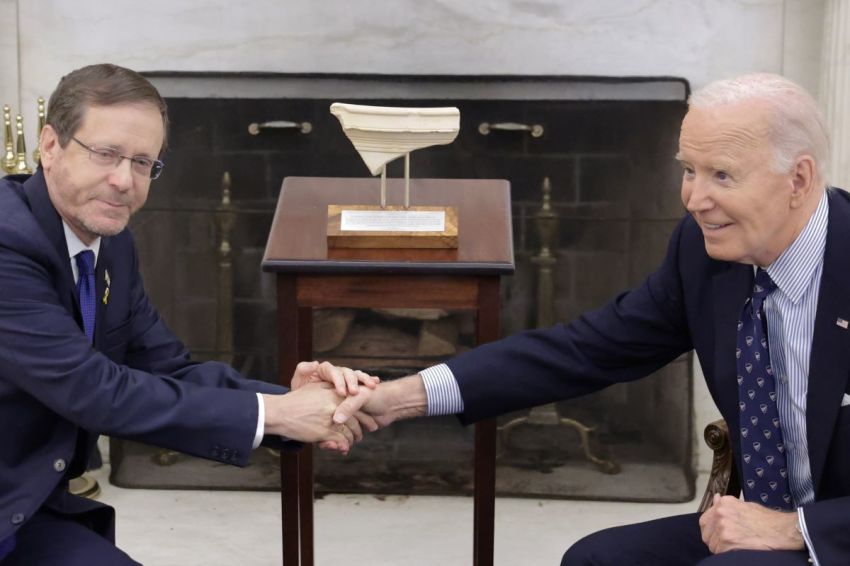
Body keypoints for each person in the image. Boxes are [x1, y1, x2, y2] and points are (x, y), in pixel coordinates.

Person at [331, 73, 849, 565]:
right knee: (593, 559)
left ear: (798, 179)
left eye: (722, 175)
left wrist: (794, 530)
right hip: (752, 526)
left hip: (832, 534)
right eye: (689, 169)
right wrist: (398, 398)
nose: (694, 198)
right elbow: (583, 350)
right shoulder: (706, 256)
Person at [0, 63, 378, 565]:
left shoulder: (110, 245)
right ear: (50, 146)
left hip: (25, 511)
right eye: (106, 154)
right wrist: (279, 414)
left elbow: (168, 368)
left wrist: (295, 401)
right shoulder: (7, 245)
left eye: (142, 163)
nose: (123, 181)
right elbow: (94, 390)